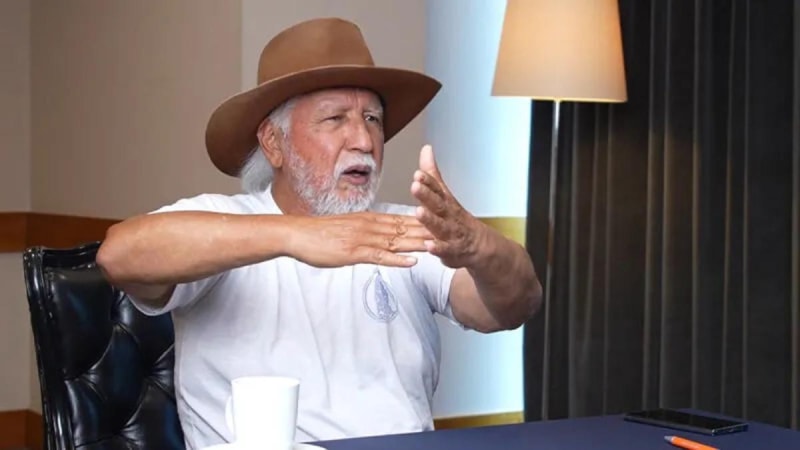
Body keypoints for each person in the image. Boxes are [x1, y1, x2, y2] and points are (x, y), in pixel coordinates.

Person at [97, 17, 542, 450]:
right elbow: (117, 256)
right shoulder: (223, 220)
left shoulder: (403, 228)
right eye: (335, 119)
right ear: (274, 143)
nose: (364, 141)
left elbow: (510, 308)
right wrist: (296, 236)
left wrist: (478, 246)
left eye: (372, 118)